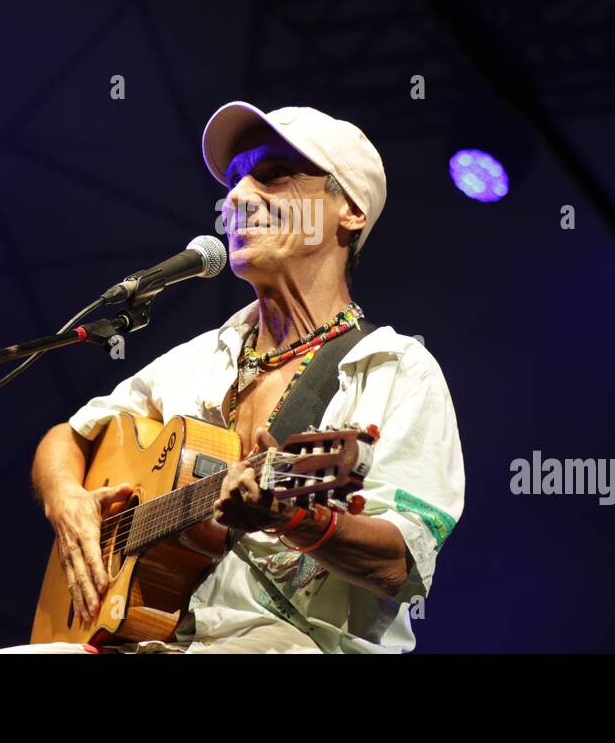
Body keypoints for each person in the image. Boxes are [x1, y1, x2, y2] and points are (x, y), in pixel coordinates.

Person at [31, 101, 464, 652]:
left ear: (349, 210)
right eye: (234, 181)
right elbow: (68, 436)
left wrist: (293, 519)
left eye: (273, 175)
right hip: (139, 637)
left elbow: (400, 563)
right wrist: (67, 500)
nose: (235, 197)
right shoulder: (203, 358)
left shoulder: (392, 370)